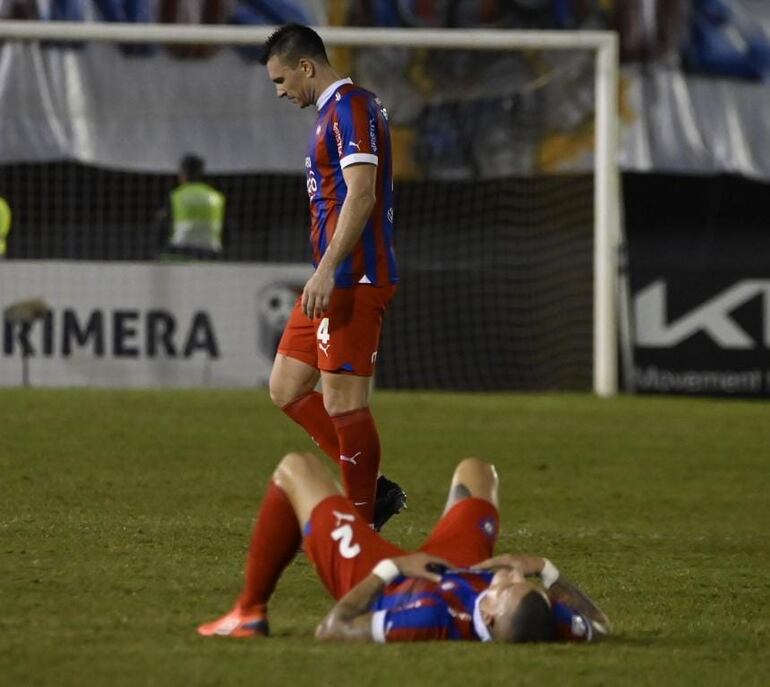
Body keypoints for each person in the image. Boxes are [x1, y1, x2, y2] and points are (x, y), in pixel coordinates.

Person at [198, 452, 610, 643]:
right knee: (478, 471)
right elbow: (601, 625)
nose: (515, 575)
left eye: (509, 585)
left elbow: (332, 629)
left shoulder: (429, 618)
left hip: (384, 578)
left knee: (296, 467)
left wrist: (392, 569)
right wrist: (545, 569)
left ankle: (249, 611)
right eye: (524, 581)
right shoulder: (538, 617)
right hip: (458, 567)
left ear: (488, 613)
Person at [260, 24, 405, 531]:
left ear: (306, 66)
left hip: (353, 277)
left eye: (281, 80)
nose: (280, 92)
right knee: (286, 386)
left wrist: (326, 270)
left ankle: (360, 521)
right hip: (332, 276)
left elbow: (361, 194)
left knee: (345, 403)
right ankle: (375, 488)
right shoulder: (333, 114)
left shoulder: (352, 108)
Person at [160, 154, 225, 260]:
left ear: (183, 173)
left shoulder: (176, 196)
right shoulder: (216, 197)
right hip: (211, 254)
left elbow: (161, 227)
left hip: (180, 251)